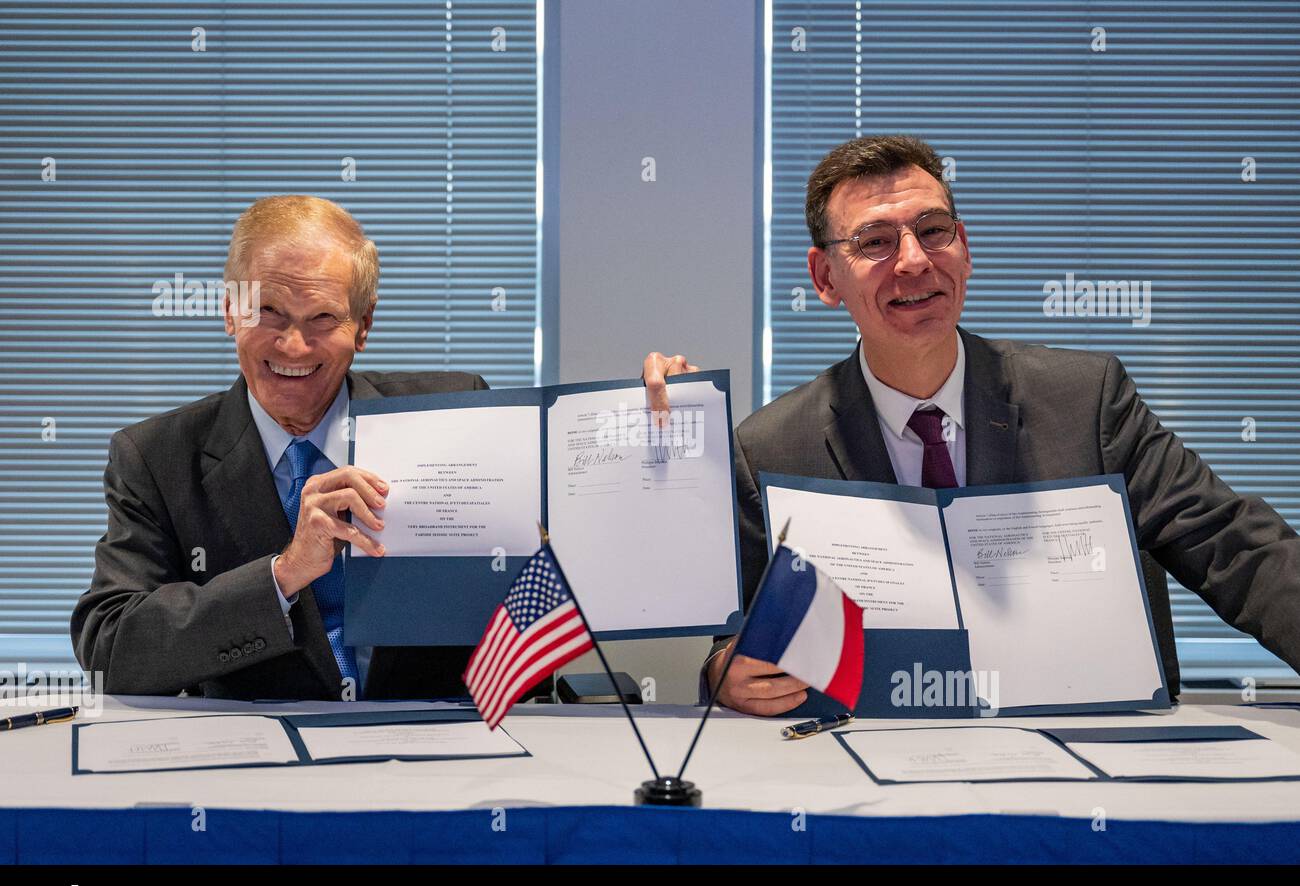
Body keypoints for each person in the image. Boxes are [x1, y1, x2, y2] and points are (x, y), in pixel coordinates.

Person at [645, 134, 1300, 716]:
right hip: (868, 790)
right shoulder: (769, 451)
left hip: (1083, 775)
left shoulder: (1086, 401)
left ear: (965, 246)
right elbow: (734, 649)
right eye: (875, 240)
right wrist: (725, 672)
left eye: (933, 230)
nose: (913, 261)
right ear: (824, 277)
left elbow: (1235, 546)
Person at [73, 194, 692, 701]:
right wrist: (284, 576)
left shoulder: (459, 413)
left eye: (322, 318)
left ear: (363, 326)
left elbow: (575, 531)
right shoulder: (156, 457)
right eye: (268, 311)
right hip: (254, 775)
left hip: (442, 767)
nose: (293, 346)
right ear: (228, 312)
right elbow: (111, 647)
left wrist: (659, 426)